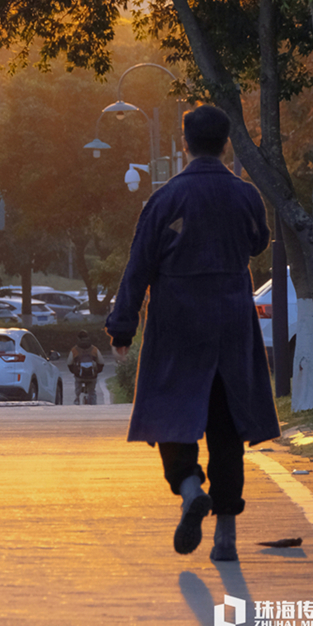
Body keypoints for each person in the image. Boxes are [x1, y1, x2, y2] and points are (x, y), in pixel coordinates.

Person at [105, 104, 279, 561]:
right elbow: (259, 242)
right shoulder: (246, 196)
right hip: (231, 320)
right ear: (226, 144)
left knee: (169, 414)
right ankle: (225, 536)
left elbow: (139, 265)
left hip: (178, 323)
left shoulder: (166, 199)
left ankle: (187, 488)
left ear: (184, 141)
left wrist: (122, 326)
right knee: (227, 427)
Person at [67, 329, 105, 405]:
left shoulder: (74, 350)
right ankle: (93, 405)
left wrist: (74, 371)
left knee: (78, 386)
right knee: (92, 392)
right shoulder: (94, 349)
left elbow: (69, 363)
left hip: (79, 376)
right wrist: (97, 372)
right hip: (92, 376)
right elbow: (101, 362)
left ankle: (77, 399)